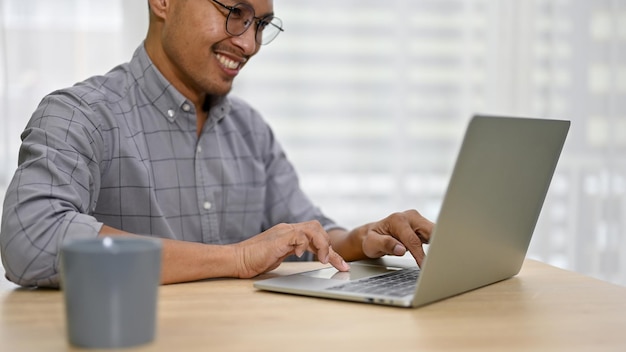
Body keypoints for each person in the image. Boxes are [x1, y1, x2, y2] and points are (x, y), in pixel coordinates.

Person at [0, 0, 433, 288]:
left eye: (260, 24)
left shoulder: (250, 129)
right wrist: (238, 259)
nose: (249, 43)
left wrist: (361, 238)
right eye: (236, 12)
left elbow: (306, 230)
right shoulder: (79, 114)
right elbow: (31, 239)